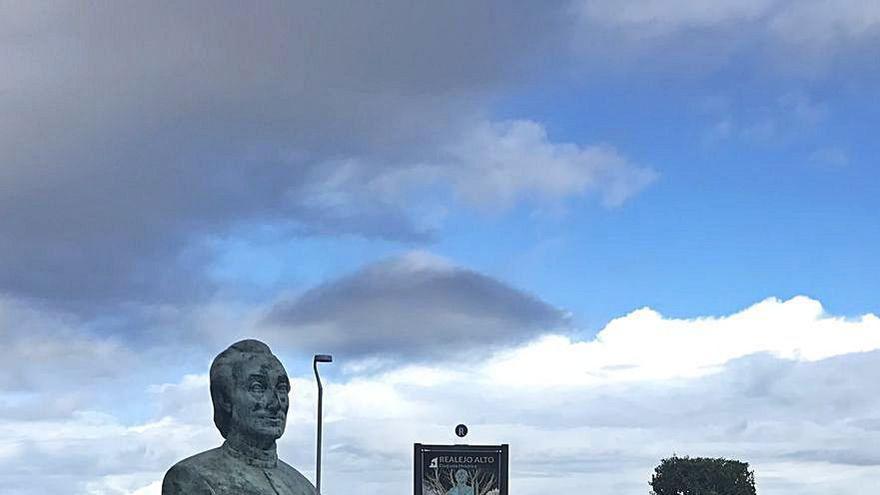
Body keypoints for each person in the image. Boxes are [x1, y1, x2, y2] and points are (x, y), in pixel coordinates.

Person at [162, 339, 317, 494]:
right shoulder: (192, 478)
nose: (276, 403)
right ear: (225, 399)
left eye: (281, 388)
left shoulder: (305, 488)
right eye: (257, 388)